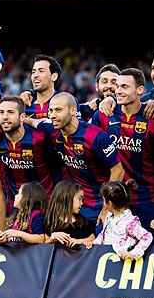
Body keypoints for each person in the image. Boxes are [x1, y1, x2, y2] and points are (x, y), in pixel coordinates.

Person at [92, 68, 154, 238]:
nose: (118, 90)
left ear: (140, 90)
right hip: (114, 197)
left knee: (150, 244)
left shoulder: (153, 116)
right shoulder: (104, 114)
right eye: (117, 86)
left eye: (124, 86)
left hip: (147, 197)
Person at [32, 92, 123, 226]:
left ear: (73, 110)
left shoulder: (96, 136)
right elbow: (32, 122)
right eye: (50, 110)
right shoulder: (52, 129)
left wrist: (106, 208)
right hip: (78, 203)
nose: (52, 115)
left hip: (101, 202)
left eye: (58, 110)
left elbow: (118, 171)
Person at [0, 96, 60, 212]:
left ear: (22, 117)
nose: (5, 116)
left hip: (45, 203)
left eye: (10, 112)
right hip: (15, 205)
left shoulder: (40, 138)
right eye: (1, 112)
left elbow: (57, 168)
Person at [93, 181, 153, 260]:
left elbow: (147, 237)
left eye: (104, 200)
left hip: (122, 265)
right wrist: (94, 243)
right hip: (106, 259)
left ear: (110, 203)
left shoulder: (129, 222)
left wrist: (133, 253)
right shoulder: (109, 217)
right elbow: (103, 234)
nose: (103, 203)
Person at [43, 181, 95, 248]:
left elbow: (92, 237)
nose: (82, 203)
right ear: (67, 198)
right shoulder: (50, 221)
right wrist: (53, 237)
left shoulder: (82, 221)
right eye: (79, 199)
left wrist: (79, 241)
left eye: (82, 200)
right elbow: (43, 245)